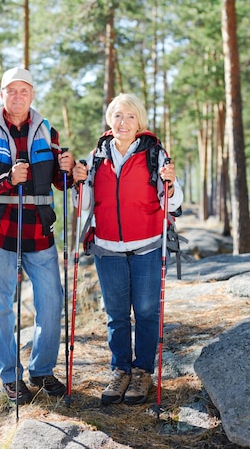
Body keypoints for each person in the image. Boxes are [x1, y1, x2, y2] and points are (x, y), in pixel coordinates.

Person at [0, 66, 75, 405]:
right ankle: (11, 377)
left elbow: (60, 182)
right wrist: (7, 179)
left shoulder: (47, 132)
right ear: (2, 95)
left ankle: (41, 370)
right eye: (11, 91)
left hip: (39, 232)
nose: (18, 96)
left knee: (51, 302)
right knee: (1, 309)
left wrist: (69, 169)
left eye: (23, 90)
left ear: (32, 95)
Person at [72, 92, 183, 406]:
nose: (123, 122)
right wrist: (78, 183)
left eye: (130, 116)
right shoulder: (97, 155)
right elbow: (85, 207)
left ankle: (142, 372)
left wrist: (172, 185)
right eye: (118, 115)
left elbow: (173, 204)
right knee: (117, 316)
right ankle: (120, 369)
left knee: (146, 313)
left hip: (147, 247)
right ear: (110, 119)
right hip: (108, 248)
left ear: (140, 122)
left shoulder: (155, 153)